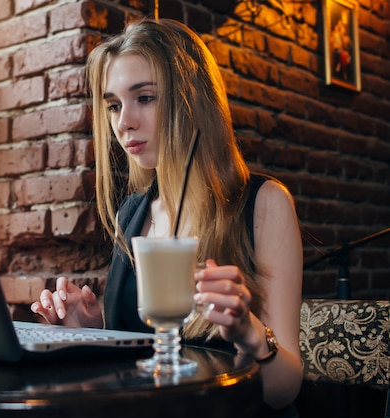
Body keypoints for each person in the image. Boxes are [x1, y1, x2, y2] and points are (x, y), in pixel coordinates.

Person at [31, 18, 303, 415]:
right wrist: (92, 333)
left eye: (144, 97)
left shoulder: (263, 204)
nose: (124, 122)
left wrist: (251, 334)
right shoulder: (132, 214)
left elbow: (285, 390)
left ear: (192, 98)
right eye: (113, 105)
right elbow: (142, 372)